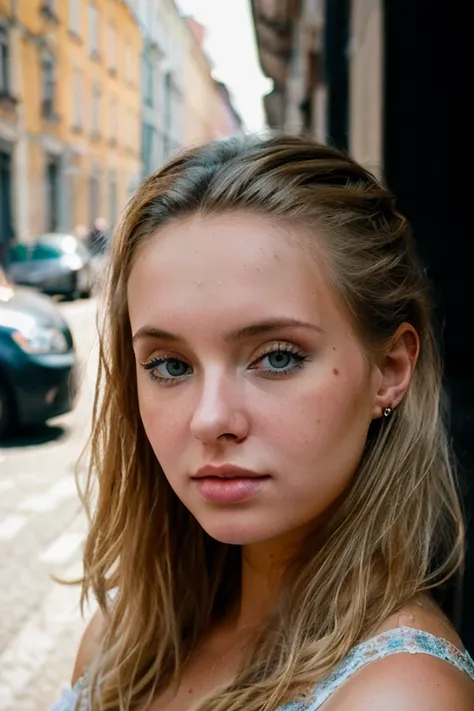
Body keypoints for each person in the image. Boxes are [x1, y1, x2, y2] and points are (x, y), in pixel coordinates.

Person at [50, 135, 474, 711]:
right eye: (170, 365)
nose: (210, 419)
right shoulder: (123, 639)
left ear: (389, 370)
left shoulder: (397, 693)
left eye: (277, 356)